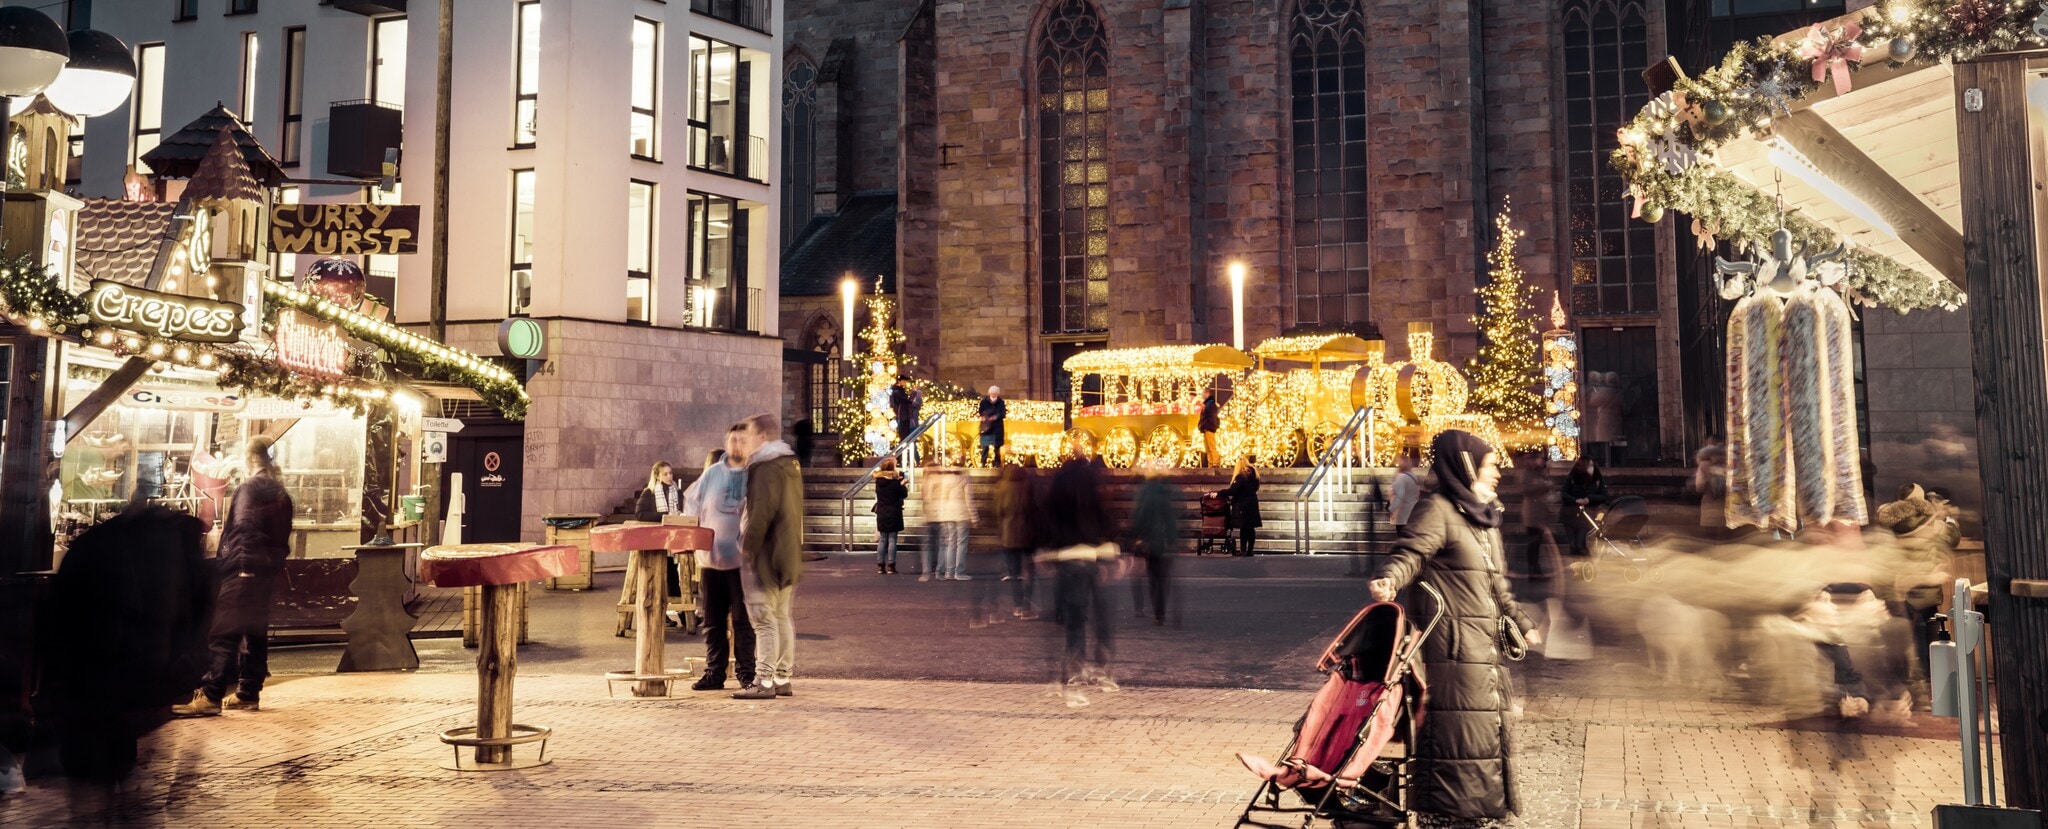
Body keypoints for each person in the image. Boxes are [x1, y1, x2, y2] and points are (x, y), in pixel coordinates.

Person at [1369, 430, 1538, 827]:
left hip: (1482, 647)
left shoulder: (1483, 516)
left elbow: (1498, 583)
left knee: (1483, 732)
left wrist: (1521, 621)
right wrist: (1390, 579)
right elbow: (1409, 553)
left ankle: (1480, 810)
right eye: (1490, 465)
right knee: (1457, 733)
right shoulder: (1438, 509)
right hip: (1452, 649)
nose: (1497, 472)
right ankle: (1446, 813)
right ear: (1466, 466)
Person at [175, 436, 296, 717]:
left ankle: (210, 695)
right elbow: (281, 536)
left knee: (224, 632)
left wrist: (240, 566)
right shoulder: (279, 491)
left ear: (250, 458)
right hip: (265, 571)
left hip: (245, 569)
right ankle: (248, 692)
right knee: (254, 632)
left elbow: (244, 527)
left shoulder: (250, 489)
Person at [1040, 436, 1121, 707]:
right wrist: (1111, 548)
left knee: (1074, 616)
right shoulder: (1093, 483)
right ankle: (1103, 667)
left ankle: (1076, 669)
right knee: (1101, 614)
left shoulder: (1059, 485)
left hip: (1068, 555)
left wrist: (1049, 550)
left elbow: (1050, 518)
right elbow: (1105, 514)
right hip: (1094, 553)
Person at [733, 413, 805, 700]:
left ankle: (763, 680)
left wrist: (748, 547)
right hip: (787, 554)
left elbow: (761, 512)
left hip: (767, 554)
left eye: (749, 435)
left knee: (764, 619)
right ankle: (782, 677)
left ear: (762, 436)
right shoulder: (790, 464)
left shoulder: (765, 467)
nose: (745, 442)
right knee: (781, 617)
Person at [682, 433, 756, 692]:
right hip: (712, 559)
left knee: (742, 619)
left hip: (741, 562)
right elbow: (692, 501)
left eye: (741, 440)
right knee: (712, 620)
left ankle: (747, 673)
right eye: (732, 440)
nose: (736, 445)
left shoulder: (753, 474)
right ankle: (715, 672)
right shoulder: (712, 473)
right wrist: (692, 530)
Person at [1126, 460, 1177, 626]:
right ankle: (1160, 611)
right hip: (1161, 539)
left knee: (1152, 577)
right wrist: (1171, 539)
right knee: (1161, 577)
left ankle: (1156, 611)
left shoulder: (1145, 492)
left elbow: (1139, 516)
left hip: (1148, 539)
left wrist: (1135, 535)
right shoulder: (1165, 492)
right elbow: (1170, 517)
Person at [637, 461, 687, 619]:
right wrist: (665, 515)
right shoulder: (649, 493)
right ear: (657, 476)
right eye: (665, 474)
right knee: (659, 579)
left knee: (673, 577)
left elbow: (685, 509)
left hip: (671, 541)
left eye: (671, 473)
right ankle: (663, 616)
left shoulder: (677, 492)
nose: (669, 476)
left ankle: (684, 616)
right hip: (654, 542)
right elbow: (640, 514)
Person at [995, 464, 1039, 616]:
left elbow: (997, 510)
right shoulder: (1028, 485)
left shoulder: (1001, 486)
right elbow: (1035, 507)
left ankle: (1018, 605)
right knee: (1029, 571)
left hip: (1009, 533)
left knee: (1014, 572)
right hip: (1027, 533)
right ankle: (1027, 605)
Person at [922, 466, 974, 581]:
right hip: (961, 514)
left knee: (951, 543)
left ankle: (949, 571)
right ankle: (959, 572)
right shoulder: (965, 480)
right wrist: (974, 518)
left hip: (948, 514)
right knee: (961, 544)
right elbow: (969, 500)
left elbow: (942, 499)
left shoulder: (945, 481)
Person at [1558, 456, 1609, 558]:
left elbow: (1604, 496)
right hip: (1570, 515)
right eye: (1589, 465)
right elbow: (1564, 493)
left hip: (1586, 515)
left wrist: (1589, 499)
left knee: (1580, 544)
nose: (1591, 468)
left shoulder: (1597, 478)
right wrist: (1575, 500)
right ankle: (1577, 568)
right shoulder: (1573, 477)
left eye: (1592, 465)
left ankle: (1587, 567)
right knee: (1573, 545)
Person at [873, 458, 908, 575]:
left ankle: (880, 566)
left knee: (883, 539)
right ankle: (891, 566)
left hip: (882, 512)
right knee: (892, 539)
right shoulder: (894, 482)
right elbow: (903, 494)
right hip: (894, 512)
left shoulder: (878, 482)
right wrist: (902, 484)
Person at [1224, 456, 1262, 556]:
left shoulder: (1241, 477)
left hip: (1243, 505)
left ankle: (1243, 549)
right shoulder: (1255, 476)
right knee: (1251, 528)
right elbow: (1256, 488)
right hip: (1252, 503)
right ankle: (1250, 550)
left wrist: (1219, 493)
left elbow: (1233, 490)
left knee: (1244, 528)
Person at [978, 385, 1008, 467]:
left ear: (997, 394)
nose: (993, 395)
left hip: (997, 428)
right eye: (992, 393)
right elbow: (980, 411)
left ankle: (997, 463)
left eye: (995, 393)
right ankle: (983, 462)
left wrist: (995, 417)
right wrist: (984, 417)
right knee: (985, 447)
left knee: (997, 447)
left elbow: (1003, 413)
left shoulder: (1001, 402)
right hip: (986, 427)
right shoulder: (984, 402)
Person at [889, 375, 919, 444]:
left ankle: (903, 452)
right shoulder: (897, 392)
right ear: (899, 381)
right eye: (904, 381)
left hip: (904, 415)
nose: (905, 382)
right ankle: (902, 453)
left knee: (905, 436)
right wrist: (914, 392)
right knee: (904, 436)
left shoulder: (900, 391)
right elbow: (908, 400)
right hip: (902, 416)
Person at [1199, 389, 1221, 467]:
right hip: (1206, 428)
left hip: (1209, 427)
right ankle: (1211, 463)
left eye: (1204, 393)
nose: (1202, 395)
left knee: (1211, 446)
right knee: (1207, 447)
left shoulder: (1210, 404)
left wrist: (1207, 425)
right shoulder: (1207, 404)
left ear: (1208, 393)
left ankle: (1216, 462)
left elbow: (1209, 416)